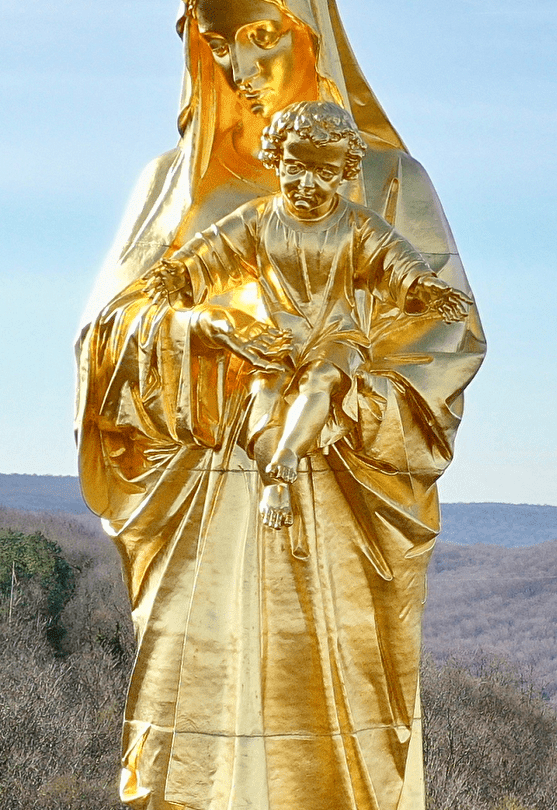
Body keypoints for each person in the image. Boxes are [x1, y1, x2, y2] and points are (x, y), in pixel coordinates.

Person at [75, 0, 486, 810]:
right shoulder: (172, 188)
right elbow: (111, 334)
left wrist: (337, 393)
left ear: (311, 27)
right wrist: (211, 336)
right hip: (210, 500)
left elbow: (443, 339)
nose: (238, 64)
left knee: (332, 765)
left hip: (337, 511)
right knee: (210, 779)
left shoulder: (385, 180)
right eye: (216, 40)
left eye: (260, 33)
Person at [141, 102, 472, 544]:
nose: (307, 184)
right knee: (263, 392)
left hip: (339, 336)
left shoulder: (358, 225)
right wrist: (180, 272)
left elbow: (394, 262)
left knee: (321, 380)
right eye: (295, 167)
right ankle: (275, 485)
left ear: (345, 172)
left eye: (325, 172)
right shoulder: (258, 218)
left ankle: (288, 456)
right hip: (282, 336)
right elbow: (212, 252)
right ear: (277, 159)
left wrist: (425, 288)